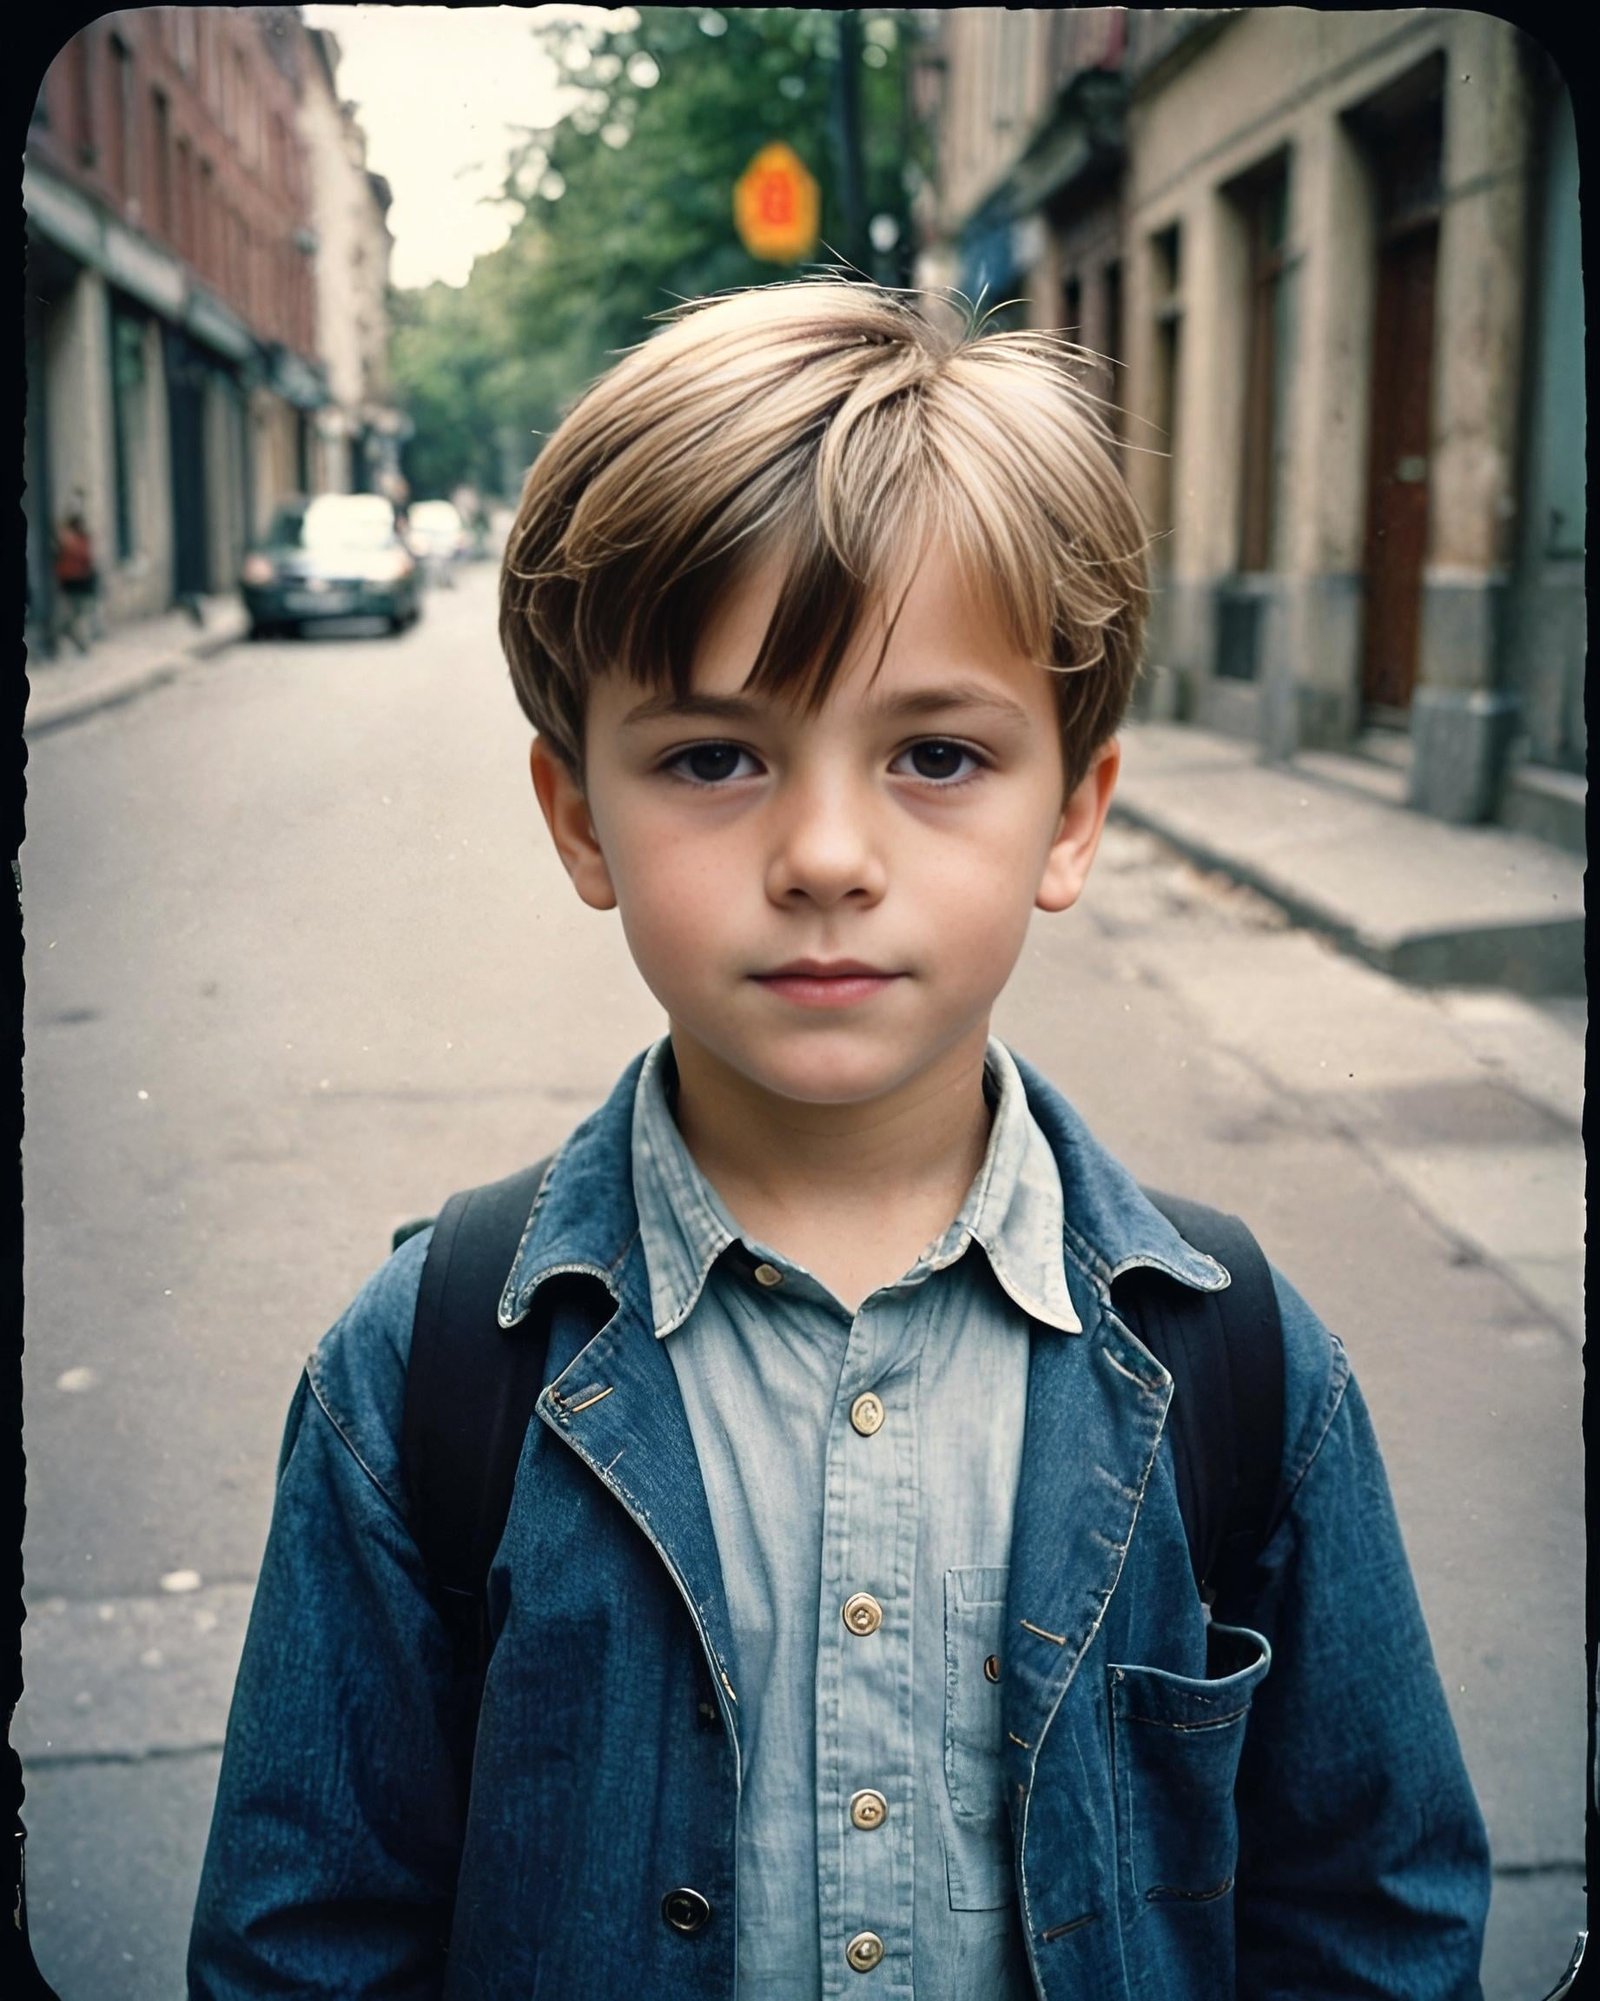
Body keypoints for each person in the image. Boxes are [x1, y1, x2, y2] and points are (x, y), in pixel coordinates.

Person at [189, 280, 1490, 1999]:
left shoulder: (1240, 1361)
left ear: (1075, 813)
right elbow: (307, 1945)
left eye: (936, 752)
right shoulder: (426, 1373)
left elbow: (1372, 1922)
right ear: (579, 812)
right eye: (716, 755)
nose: (822, 852)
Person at [51, 502, 100, 654]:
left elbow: (80, 556)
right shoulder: (77, 539)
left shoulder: (78, 540)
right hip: (70, 585)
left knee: (74, 620)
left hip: (78, 585)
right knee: (70, 620)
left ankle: (82, 646)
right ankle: (80, 646)